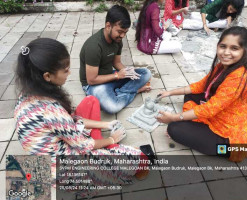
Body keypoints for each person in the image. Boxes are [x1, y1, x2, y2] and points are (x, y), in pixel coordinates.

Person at [14, 38, 149, 189]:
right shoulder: (51, 111)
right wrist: (111, 139)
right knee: (140, 158)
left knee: (91, 101)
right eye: (65, 70)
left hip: (57, 145)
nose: (69, 73)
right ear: (47, 76)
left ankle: (103, 146)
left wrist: (106, 124)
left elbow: (69, 121)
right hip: (62, 169)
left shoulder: (25, 96)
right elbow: (83, 146)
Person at [156, 27, 247, 161]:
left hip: (230, 138)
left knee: (174, 128)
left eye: (234, 48)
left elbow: (209, 109)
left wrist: (173, 117)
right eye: (223, 46)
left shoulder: (239, 77)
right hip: (222, 113)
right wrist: (169, 92)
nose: (226, 53)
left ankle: (224, 150)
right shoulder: (222, 66)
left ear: (244, 51)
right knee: (191, 95)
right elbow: (200, 86)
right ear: (217, 46)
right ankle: (194, 126)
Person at [80, 5, 151, 114]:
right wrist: (118, 76)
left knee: (145, 73)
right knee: (113, 107)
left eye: (125, 32)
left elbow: (116, 62)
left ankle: (118, 93)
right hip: (93, 85)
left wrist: (128, 72)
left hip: (110, 76)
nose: (122, 35)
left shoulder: (117, 40)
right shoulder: (93, 46)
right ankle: (134, 91)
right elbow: (91, 79)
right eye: (120, 31)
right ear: (108, 26)